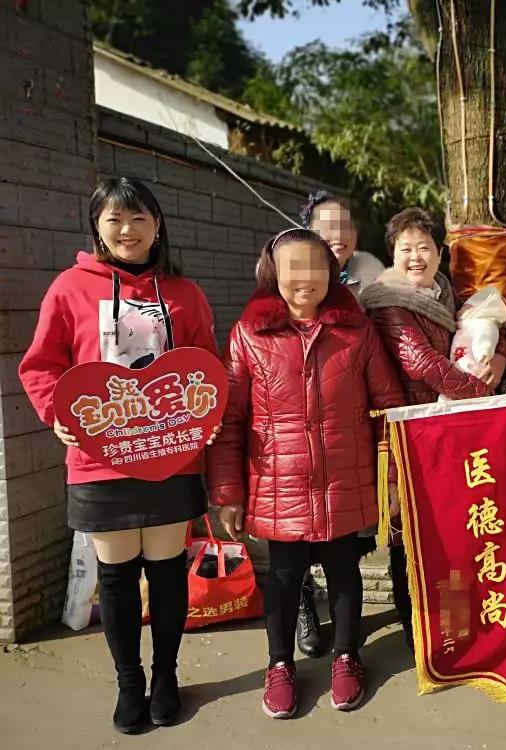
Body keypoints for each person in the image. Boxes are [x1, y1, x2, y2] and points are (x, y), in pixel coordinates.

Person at [18, 177, 219, 733]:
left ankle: (166, 676)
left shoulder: (184, 293)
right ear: (97, 227)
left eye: (138, 218)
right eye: (114, 219)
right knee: (117, 576)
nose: (127, 230)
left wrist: (206, 414)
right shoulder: (69, 289)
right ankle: (130, 684)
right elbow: (42, 365)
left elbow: (208, 365)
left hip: (169, 454)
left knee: (168, 571)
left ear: (157, 225)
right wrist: (57, 415)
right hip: (100, 457)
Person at [207, 228, 404, 718]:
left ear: (331, 272)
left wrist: (393, 478)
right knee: (283, 577)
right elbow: (231, 419)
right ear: (272, 273)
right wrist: (229, 493)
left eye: (315, 266)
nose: (304, 278)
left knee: (344, 571)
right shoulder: (249, 335)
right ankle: (279, 664)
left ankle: (346, 656)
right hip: (280, 482)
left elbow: (388, 408)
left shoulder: (356, 331)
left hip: (345, 478)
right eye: (292, 267)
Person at [360, 207, 506, 651]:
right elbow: (420, 363)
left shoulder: (449, 296)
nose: (415, 257)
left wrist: (501, 360)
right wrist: (481, 391)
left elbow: (492, 332)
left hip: (452, 431)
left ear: (439, 253)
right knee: (411, 537)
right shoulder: (388, 302)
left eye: (424, 247)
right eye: (405, 248)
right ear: (392, 255)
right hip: (410, 432)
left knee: (456, 532)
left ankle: (456, 626)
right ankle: (419, 633)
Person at [295, 191, 387, 660]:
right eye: (325, 226)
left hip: (355, 418)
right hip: (298, 422)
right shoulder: (287, 278)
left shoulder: (376, 283)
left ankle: (346, 623)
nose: (336, 235)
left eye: (344, 226)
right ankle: (304, 606)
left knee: (346, 525)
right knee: (297, 523)